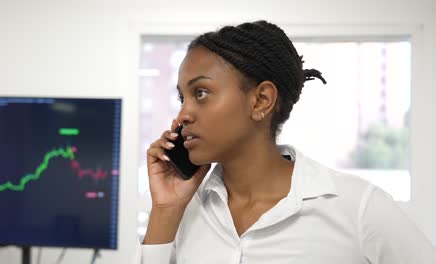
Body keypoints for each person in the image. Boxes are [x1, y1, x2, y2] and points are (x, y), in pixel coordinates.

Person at [136, 20, 436, 263]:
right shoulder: (183, 212)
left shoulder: (358, 208)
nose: (182, 114)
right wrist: (166, 209)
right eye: (182, 97)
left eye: (200, 93)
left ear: (261, 100)